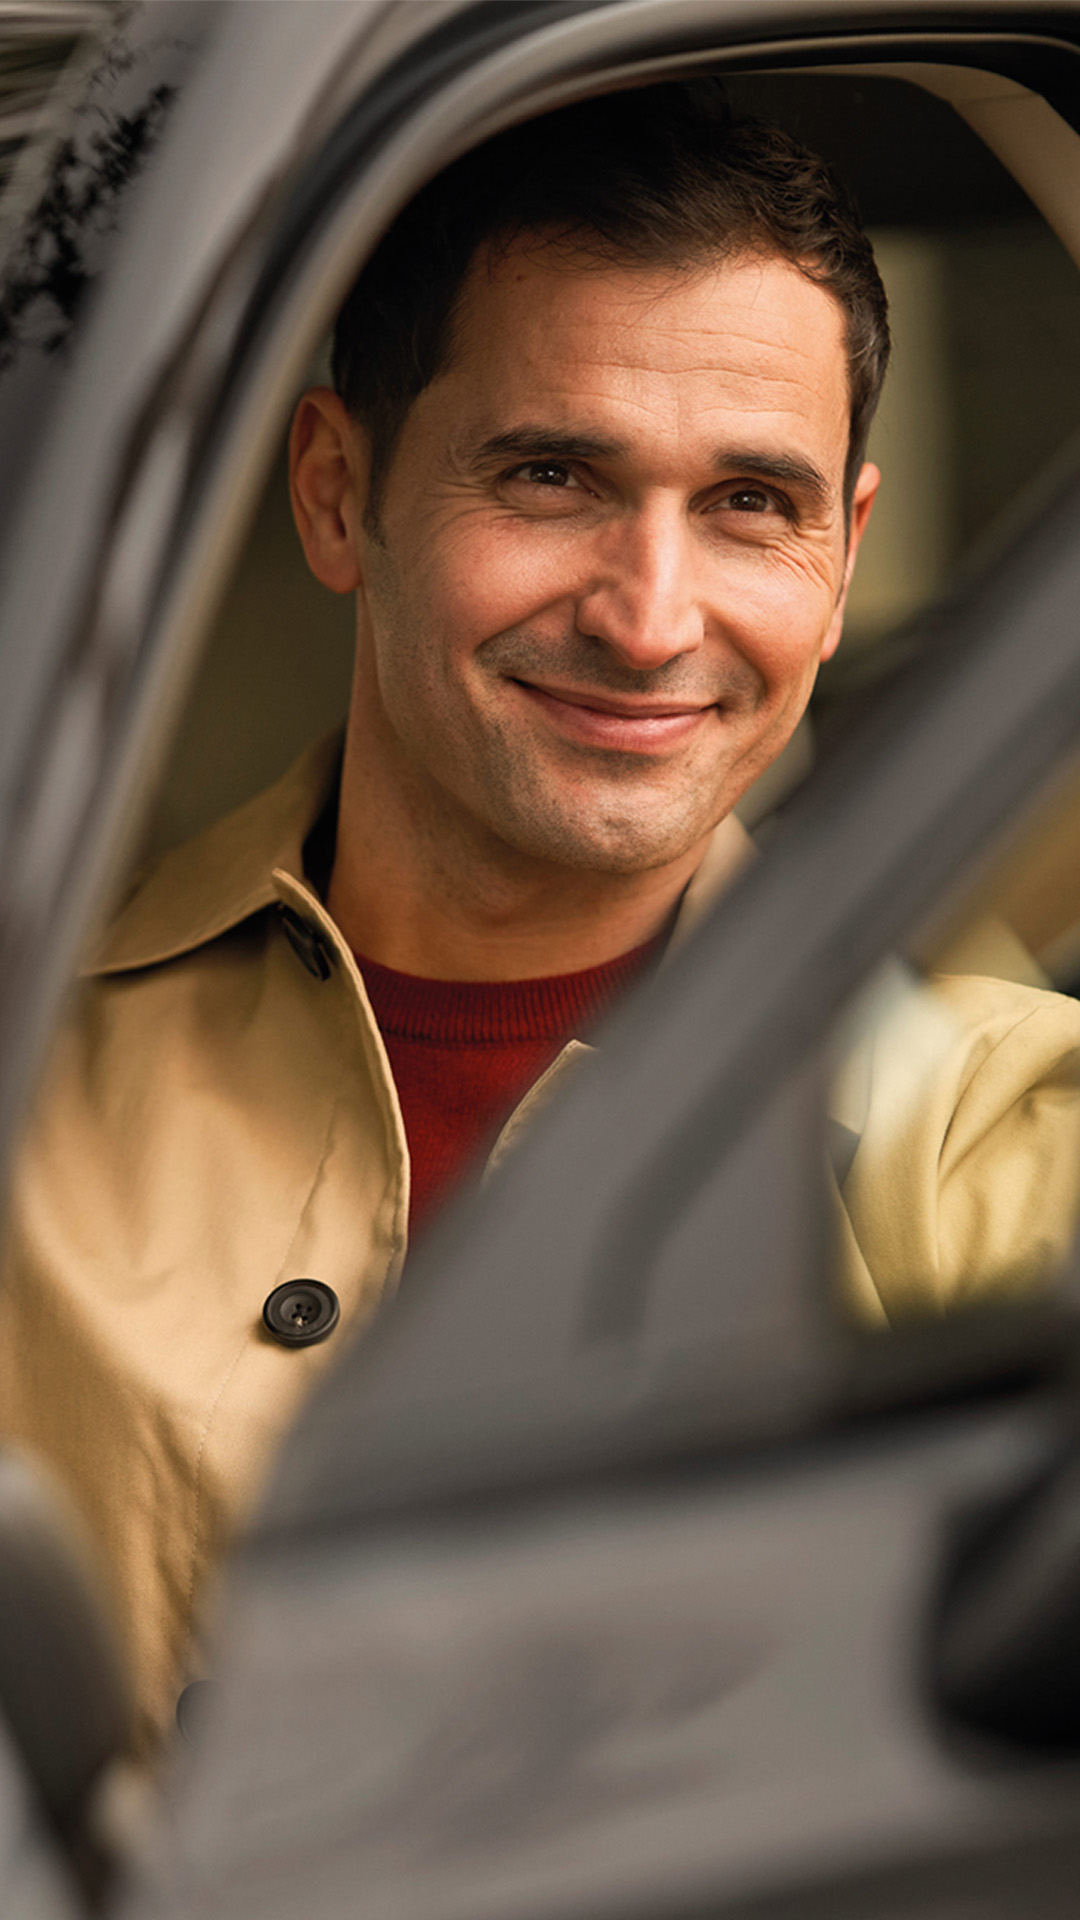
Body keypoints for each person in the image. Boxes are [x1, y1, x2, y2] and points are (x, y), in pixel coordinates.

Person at [1, 81, 1078, 1758]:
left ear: (845, 551)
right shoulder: (28, 1060)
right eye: (555, 475)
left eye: (752, 503)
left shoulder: (997, 1131)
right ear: (338, 493)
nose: (650, 621)